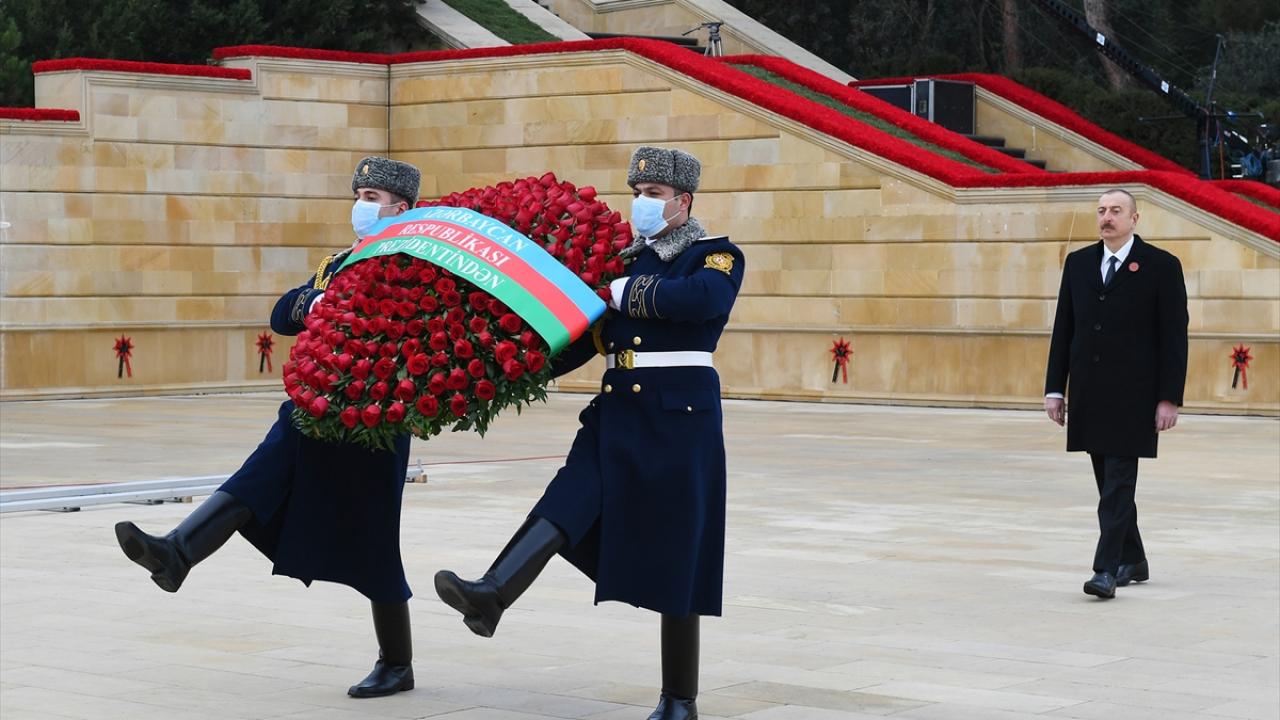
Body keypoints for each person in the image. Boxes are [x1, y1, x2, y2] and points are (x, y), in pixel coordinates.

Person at [434, 146, 744, 720]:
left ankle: (680, 698)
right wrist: (503, 366)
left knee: (680, 552)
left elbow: (704, 301)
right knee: (567, 500)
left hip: (680, 418)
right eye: (638, 193)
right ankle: (493, 593)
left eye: (654, 194)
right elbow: (579, 339)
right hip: (616, 411)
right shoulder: (622, 262)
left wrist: (631, 293)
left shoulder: (713, 256)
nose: (643, 204)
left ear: (684, 201)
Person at [114, 157, 423, 697]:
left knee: (375, 541)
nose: (362, 204)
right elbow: (284, 314)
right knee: (254, 481)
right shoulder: (339, 262)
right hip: (313, 405)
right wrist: (320, 300)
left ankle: (397, 662)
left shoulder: (415, 264)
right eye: (360, 193)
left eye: (373, 196)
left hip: (374, 417)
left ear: (402, 207)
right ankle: (176, 552)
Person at [1044, 188, 1188, 600]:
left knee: (1118, 484)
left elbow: (1174, 338)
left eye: (1116, 211)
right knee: (1108, 480)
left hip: (1135, 397)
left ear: (1134, 219)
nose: (1107, 217)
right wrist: (1056, 389)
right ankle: (1134, 558)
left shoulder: (1161, 266)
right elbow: (1063, 329)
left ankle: (1105, 570)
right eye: (1102, 211)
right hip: (1090, 394)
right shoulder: (1078, 264)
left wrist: (1168, 397)